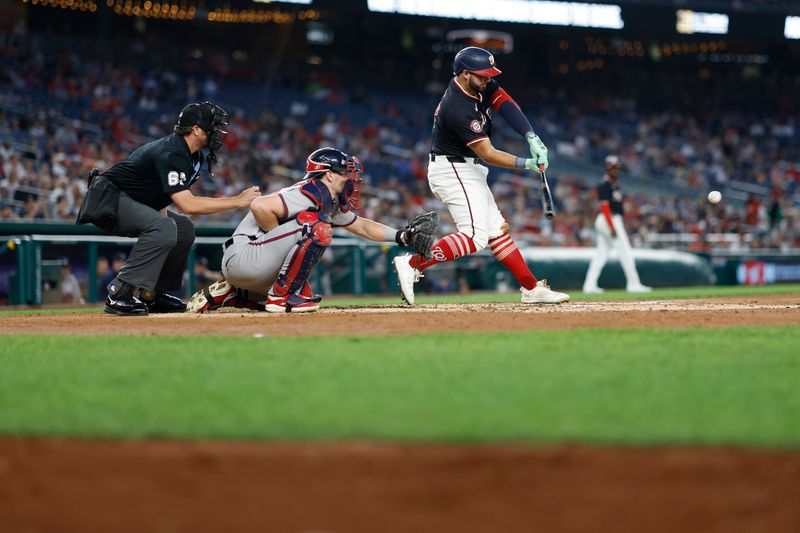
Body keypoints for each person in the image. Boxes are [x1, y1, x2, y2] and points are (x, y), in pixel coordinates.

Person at [392, 47, 569, 305]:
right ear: (464, 74)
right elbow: (487, 153)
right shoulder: (457, 106)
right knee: (475, 238)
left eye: (489, 74)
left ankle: (531, 288)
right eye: (482, 75)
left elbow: (506, 103)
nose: (487, 79)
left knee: (496, 232)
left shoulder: (478, 85)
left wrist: (530, 135)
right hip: (452, 169)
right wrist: (526, 163)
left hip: (467, 168)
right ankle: (412, 263)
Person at [185, 147, 435, 313]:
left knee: (315, 227)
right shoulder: (307, 192)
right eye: (344, 173)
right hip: (245, 256)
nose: (349, 179)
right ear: (327, 175)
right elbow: (260, 206)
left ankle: (233, 294)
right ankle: (280, 298)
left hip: (253, 264)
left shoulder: (326, 199)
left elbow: (361, 226)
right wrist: (278, 237)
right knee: (315, 227)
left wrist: (402, 236)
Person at [81, 101, 260, 315]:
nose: (217, 132)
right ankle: (119, 293)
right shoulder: (173, 152)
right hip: (108, 199)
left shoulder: (192, 155)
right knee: (165, 227)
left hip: (131, 200)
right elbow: (187, 204)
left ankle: (152, 295)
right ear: (195, 129)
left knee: (182, 228)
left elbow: (162, 198)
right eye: (212, 127)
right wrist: (237, 201)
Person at [582, 155, 652, 293]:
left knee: (601, 255)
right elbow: (604, 207)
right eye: (613, 168)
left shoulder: (615, 185)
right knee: (625, 252)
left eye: (617, 168)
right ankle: (634, 284)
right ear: (607, 169)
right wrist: (612, 225)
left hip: (611, 219)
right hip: (608, 220)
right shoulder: (605, 184)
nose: (616, 170)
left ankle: (589, 286)